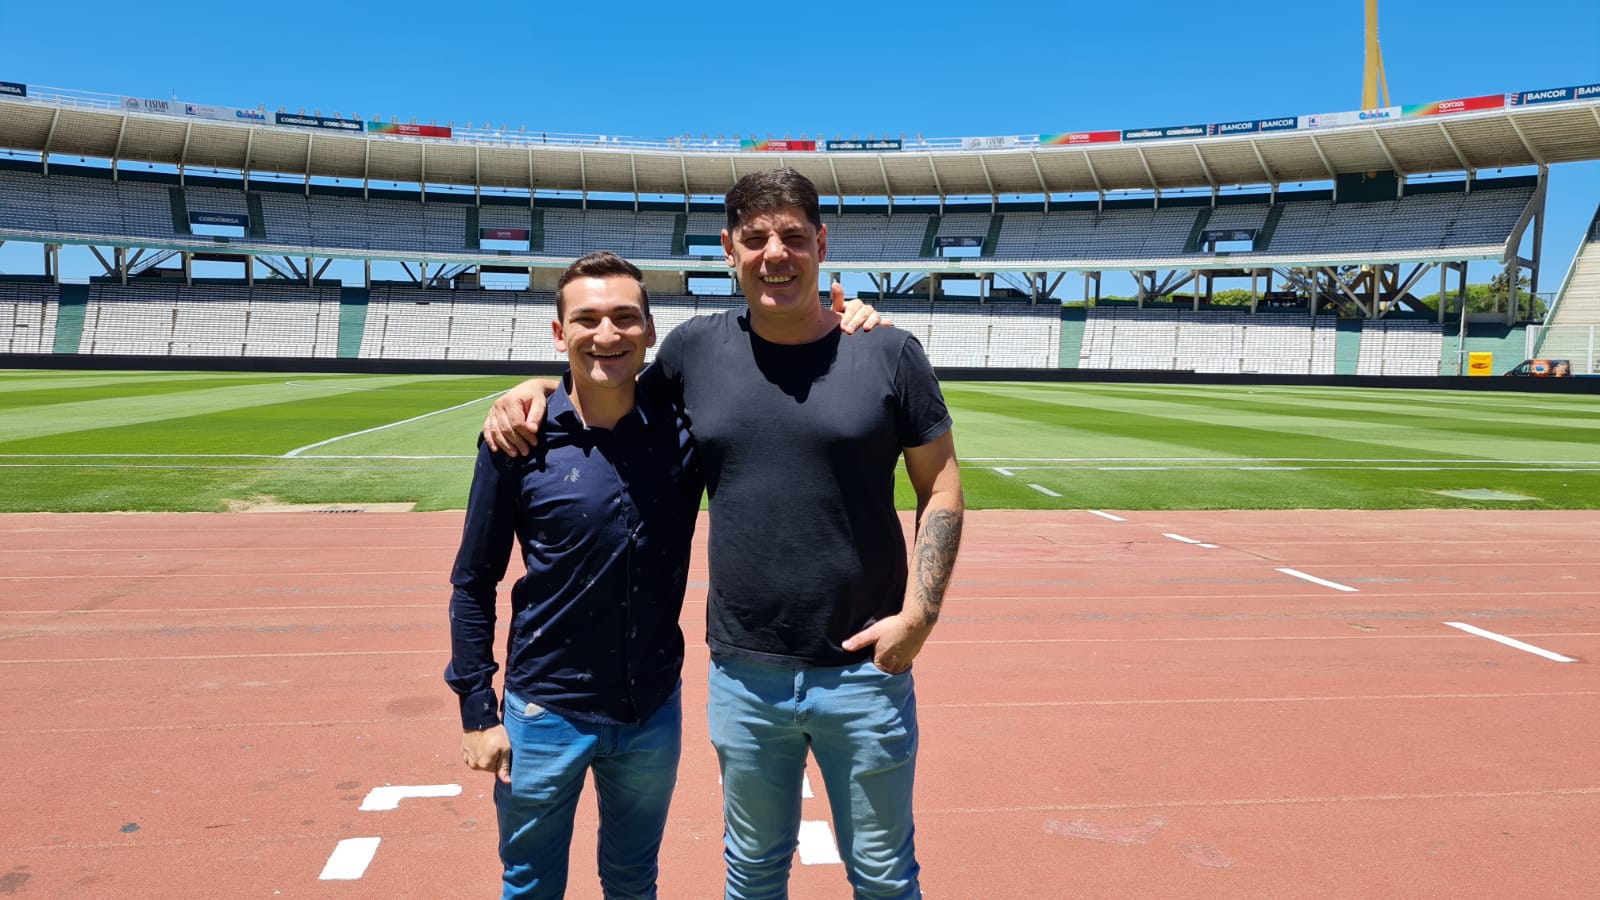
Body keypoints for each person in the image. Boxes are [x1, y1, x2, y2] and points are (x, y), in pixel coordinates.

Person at [484, 168, 964, 900]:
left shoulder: (890, 353)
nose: (777, 252)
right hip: (745, 676)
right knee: (752, 872)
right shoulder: (693, 353)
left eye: (794, 237)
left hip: (865, 673)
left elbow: (943, 488)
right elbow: (605, 389)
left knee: (884, 875)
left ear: (822, 244)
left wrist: (921, 616)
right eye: (757, 238)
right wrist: (536, 389)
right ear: (729, 250)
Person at [445, 250, 704, 899]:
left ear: (648, 329)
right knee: (530, 884)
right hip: (543, 711)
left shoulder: (686, 432)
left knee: (632, 881)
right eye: (587, 319)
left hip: (650, 710)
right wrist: (478, 711)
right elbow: (474, 581)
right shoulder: (518, 440)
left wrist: (854, 326)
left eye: (624, 317)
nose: (607, 333)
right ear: (561, 334)